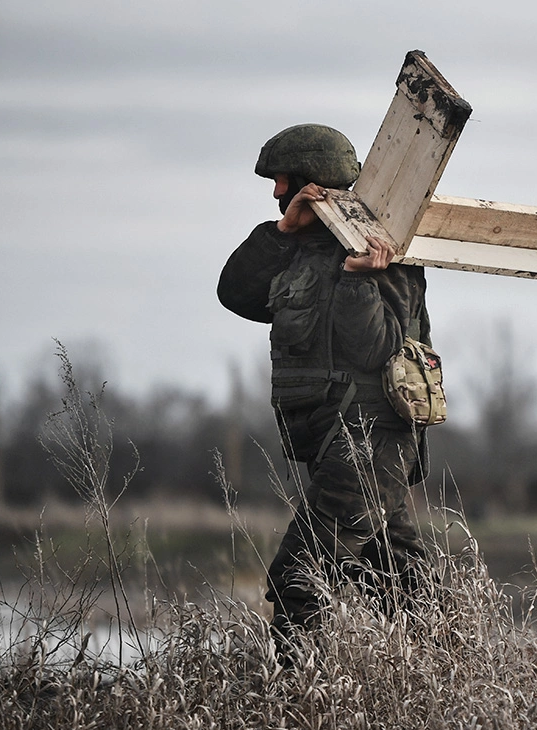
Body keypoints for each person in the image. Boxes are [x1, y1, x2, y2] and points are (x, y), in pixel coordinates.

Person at [217, 123, 434, 642]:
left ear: (315, 180)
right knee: (399, 582)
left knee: (300, 577)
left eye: (284, 179)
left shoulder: (386, 249)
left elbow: (376, 351)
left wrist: (360, 280)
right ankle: (453, 682)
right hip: (334, 438)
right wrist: (283, 234)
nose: (275, 192)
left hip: (371, 439)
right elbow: (235, 294)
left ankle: (293, 703)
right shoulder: (299, 249)